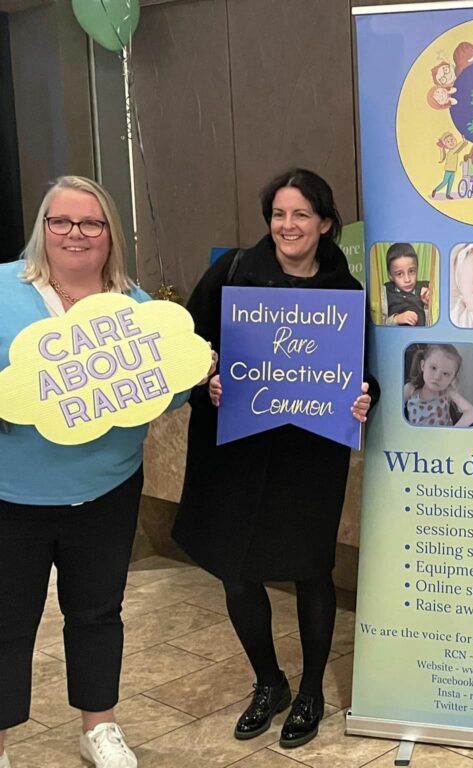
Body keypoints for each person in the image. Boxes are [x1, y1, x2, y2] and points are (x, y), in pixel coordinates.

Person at [0, 176, 203, 768]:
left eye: (91, 223)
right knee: (8, 621)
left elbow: (156, 400)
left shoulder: (137, 310)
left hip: (106, 489)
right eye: (60, 222)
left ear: (111, 233)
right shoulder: (4, 292)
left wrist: (188, 377)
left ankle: (99, 726)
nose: (75, 234)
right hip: (14, 494)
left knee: (96, 612)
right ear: (42, 229)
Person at [173, 168, 378, 749]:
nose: (288, 226)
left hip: (309, 455)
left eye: (301, 215)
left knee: (312, 569)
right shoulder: (233, 273)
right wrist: (205, 384)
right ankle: (269, 682)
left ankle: (310, 689)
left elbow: (367, 375)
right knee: (238, 570)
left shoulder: (346, 293)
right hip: (237, 451)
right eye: (279, 214)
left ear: (326, 223)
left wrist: (366, 398)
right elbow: (186, 350)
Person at [403, 344, 473, 427]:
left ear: (452, 379)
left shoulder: (448, 392)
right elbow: (391, 412)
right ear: (423, 365)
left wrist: (452, 433)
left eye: (445, 373)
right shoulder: (410, 389)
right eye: (433, 368)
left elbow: (472, 413)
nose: (437, 377)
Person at [383, 242, 431, 326]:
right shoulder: (384, 292)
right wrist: (396, 319)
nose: (407, 279)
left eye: (411, 271)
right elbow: (378, 324)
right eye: (399, 274)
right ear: (390, 275)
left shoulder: (427, 288)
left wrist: (429, 304)